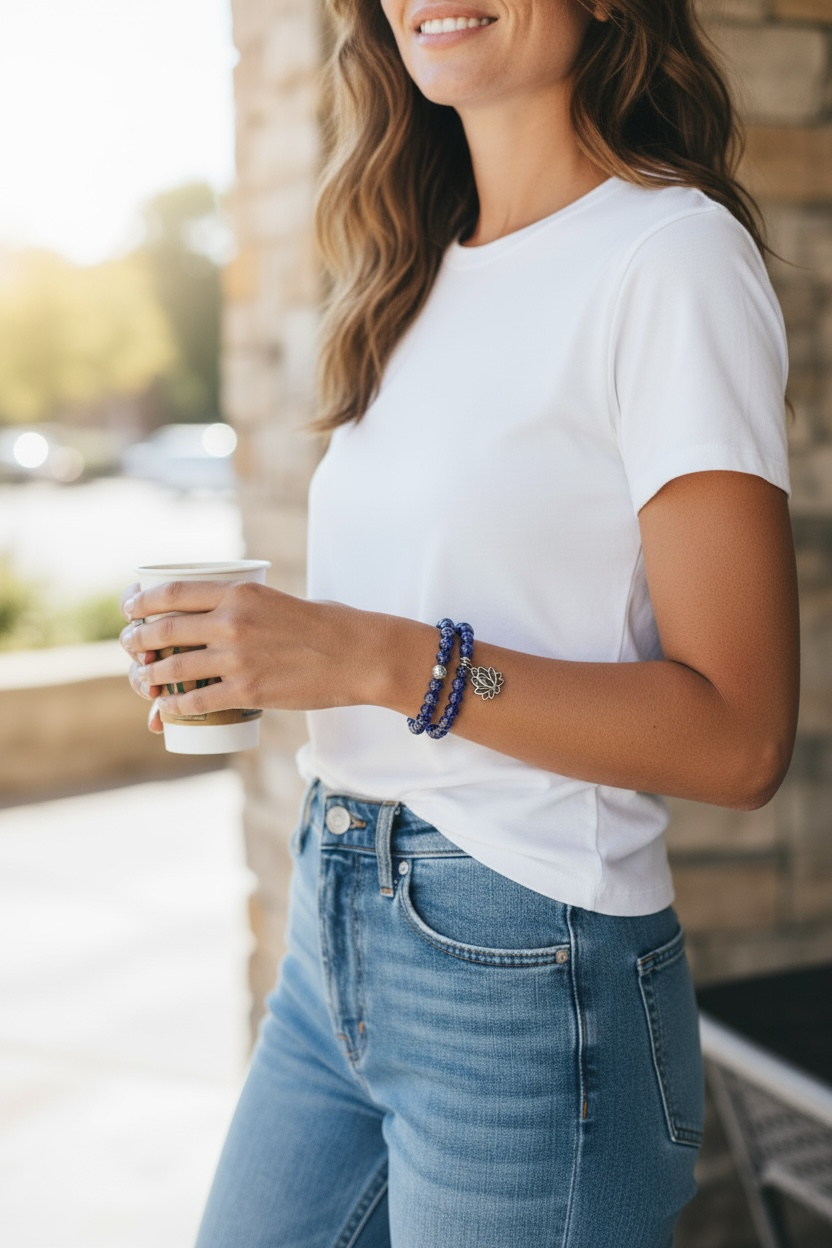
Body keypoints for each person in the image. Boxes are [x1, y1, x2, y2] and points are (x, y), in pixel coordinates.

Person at [120, 0, 799, 1242]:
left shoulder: (669, 260)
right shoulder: (408, 268)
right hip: (336, 933)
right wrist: (253, 650)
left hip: (527, 964)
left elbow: (739, 737)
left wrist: (377, 658)